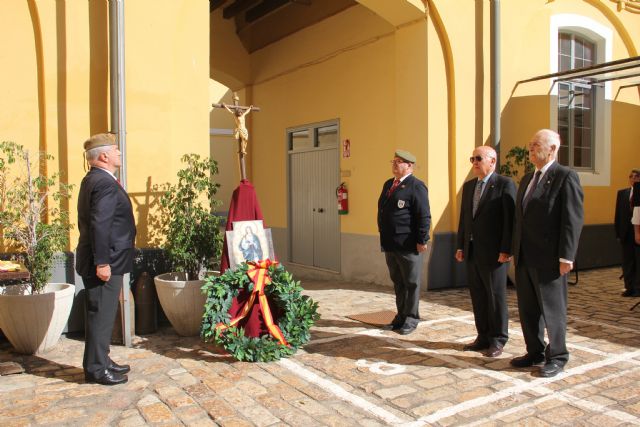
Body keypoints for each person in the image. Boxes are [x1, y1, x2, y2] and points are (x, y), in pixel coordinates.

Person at [511, 129, 583, 378]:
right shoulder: (527, 179)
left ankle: (558, 355)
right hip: (525, 257)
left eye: (535, 144)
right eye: (529, 144)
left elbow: (571, 219)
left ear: (552, 149)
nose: (530, 148)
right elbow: (520, 220)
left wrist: (567, 257)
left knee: (553, 310)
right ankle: (535, 351)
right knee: (528, 309)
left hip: (550, 258)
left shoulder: (565, 176)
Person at [76, 133, 136, 386]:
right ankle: (97, 370)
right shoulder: (104, 183)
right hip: (106, 260)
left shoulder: (95, 179)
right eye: (115, 149)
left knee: (102, 313)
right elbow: (99, 224)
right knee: (101, 314)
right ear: (103, 156)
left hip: (106, 258)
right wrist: (102, 263)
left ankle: (102, 359)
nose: (119, 153)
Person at [456, 146, 516, 357]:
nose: (474, 161)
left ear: (492, 161)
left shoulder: (504, 184)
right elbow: (465, 219)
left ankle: (498, 338)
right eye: (472, 158)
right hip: (472, 251)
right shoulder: (469, 186)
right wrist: (460, 245)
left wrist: (506, 249)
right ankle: (483, 336)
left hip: (494, 253)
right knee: (478, 296)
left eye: (479, 158)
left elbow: (510, 220)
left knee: (495, 296)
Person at [377, 150, 431, 335]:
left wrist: (422, 239)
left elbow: (423, 215)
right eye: (394, 161)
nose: (395, 164)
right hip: (391, 243)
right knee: (398, 282)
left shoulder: (416, 186)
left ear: (410, 165)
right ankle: (400, 316)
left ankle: (411, 318)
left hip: (408, 243)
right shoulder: (388, 184)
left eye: (399, 162)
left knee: (411, 282)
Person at [614, 169, 640, 297]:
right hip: (626, 232)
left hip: (638, 232)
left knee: (637, 261)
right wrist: (618, 233)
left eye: (637, 176)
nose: (633, 178)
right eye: (631, 176)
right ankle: (629, 287)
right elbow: (618, 214)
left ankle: (637, 288)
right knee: (627, 261)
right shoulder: (622, 193)